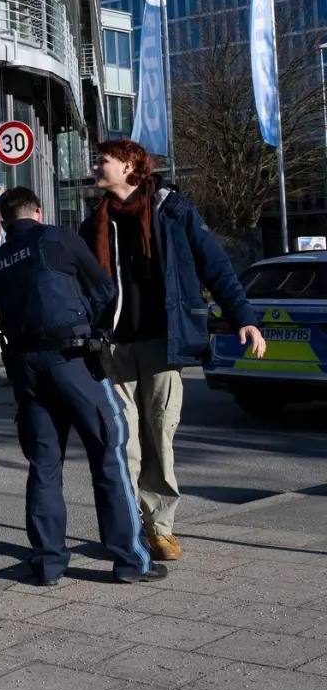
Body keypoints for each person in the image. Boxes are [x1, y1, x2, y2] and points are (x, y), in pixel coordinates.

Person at [81, 139, 267, 562]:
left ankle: (160, 527)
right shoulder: (93, 220)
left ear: (130, 166)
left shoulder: (173, 210)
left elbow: (214, 265)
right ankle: (130, 528)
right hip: (113, 346)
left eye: (102, 160)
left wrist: (245, 318)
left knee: (159, 436)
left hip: (165, 342)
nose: (95, 166)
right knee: (122, 440)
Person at [0, 186, 167, 586]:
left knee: (45, 466)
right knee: (109, 452)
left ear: (3, 220)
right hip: (74, 361)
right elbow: (104, 290)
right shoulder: (58, 237)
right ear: (38, 210)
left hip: (27, 370)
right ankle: (130, 560)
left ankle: (49, 563)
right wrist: (95, 331)